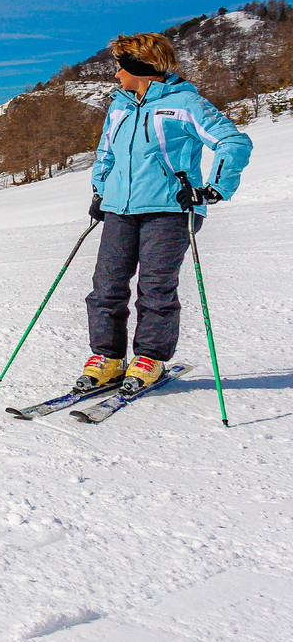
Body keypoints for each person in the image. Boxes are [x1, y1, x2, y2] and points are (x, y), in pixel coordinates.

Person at [82, 33, 251, 391]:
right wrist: (101, 191)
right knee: (106, 287)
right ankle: (108, 359)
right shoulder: (120, 106)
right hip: (119, 210)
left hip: (170, 210)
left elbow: (232, 141)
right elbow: (106, 154)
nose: (116, 76)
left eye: (120, 68)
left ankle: (150, 359)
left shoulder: (185, 102)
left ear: (140, 68)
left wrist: (214, 188)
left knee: (156, 288)